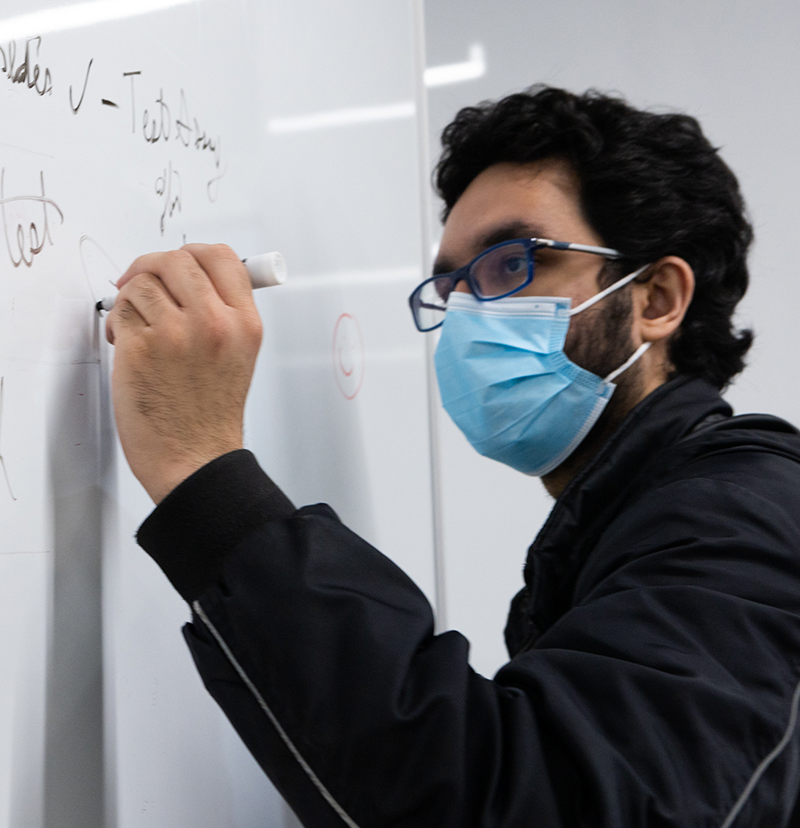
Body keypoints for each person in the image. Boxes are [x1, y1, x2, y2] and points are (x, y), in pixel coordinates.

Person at [105, 86, 800, 827]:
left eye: (510, 263)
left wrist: (205, 472)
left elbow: (528, 804)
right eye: (452, 283)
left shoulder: (742, 513)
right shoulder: (634, 522)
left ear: (656, 297)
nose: (467, 310)